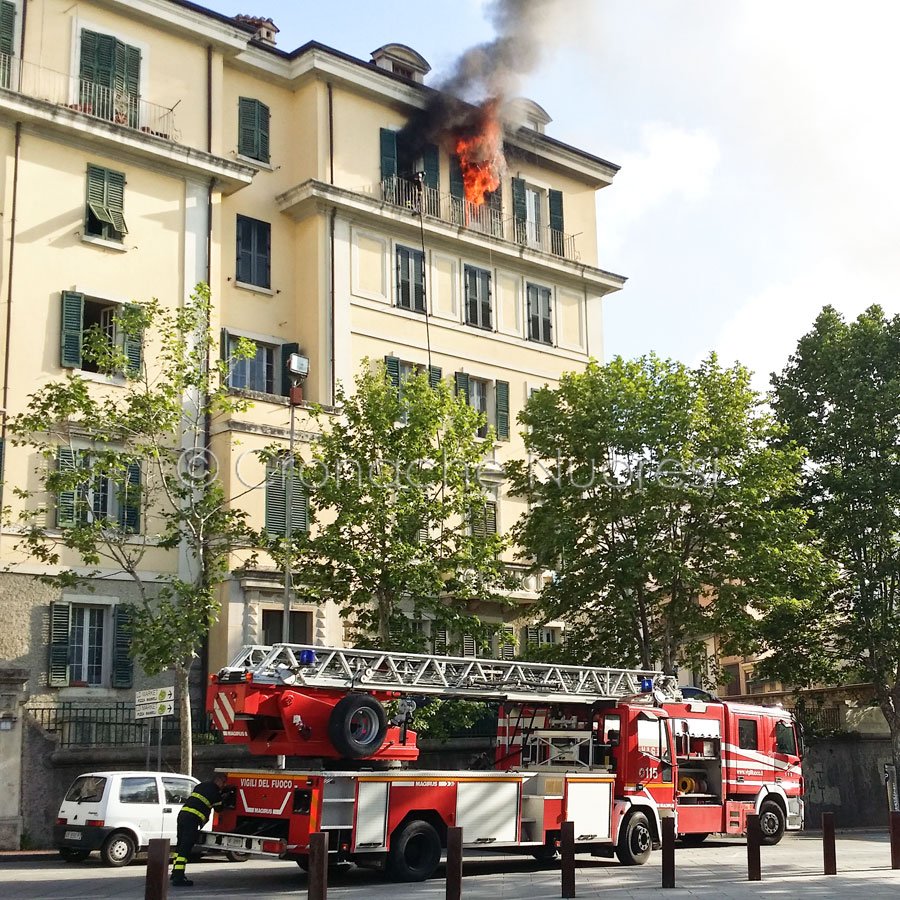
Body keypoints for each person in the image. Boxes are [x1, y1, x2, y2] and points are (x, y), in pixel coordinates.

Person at [171, 772, 230, 887]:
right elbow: (219, 809)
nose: (223, 785)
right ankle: (178, 878)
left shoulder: (201, 785)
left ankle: (175, 872)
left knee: (180, 845)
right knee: (185, 848)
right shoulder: (215, 793)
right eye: (223, 783)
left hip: (182, 816)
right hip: (192, 819)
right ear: (218, 781)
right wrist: (224, 798)